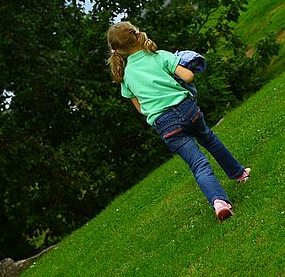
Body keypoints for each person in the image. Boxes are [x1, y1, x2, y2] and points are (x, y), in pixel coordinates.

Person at [106, 21, 250, 221]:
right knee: (209, 139)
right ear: (136, 35)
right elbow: (189, 76)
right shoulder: (158, 56)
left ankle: (219, 202)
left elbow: (140, 109)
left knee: (198, 164)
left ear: (118, 51)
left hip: (165, 124)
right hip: (187, 110)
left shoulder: (126, 77)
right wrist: (181, 61)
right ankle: (239, 174)